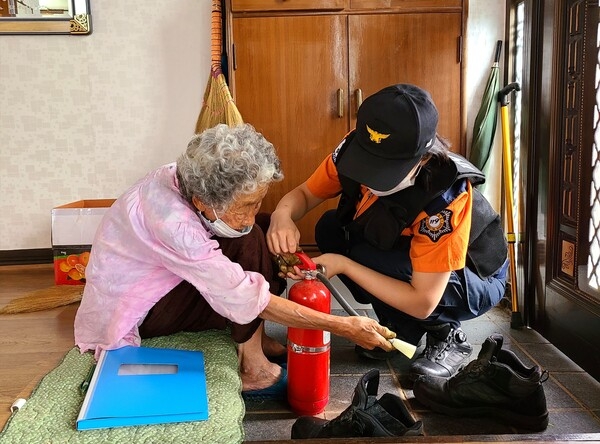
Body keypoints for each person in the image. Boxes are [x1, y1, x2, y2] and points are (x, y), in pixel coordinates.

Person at [74, 123, 396, 399]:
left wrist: (278, 243)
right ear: (202, 200)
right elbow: (244, 296)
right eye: (247, 204)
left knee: (264, 229)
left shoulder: (185, 177)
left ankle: (257, 339)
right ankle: (254, 367)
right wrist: (344, 326)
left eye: (256, 201)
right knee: (249, 239)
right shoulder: (172, 223)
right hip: (142, 312)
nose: (250, 213)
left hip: (164, 279)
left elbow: (250, 230)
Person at [267, 84, 509, 380]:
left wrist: (343, 265)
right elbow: (305, 193)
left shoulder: (445, 198)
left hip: (473, 278)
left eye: (383, 170)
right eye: (368, 164)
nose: (369, 179)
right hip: (408, 258)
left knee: (369, 259)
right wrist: (282, 215)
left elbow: (423, 301)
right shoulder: (355, 148)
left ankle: (446, 333)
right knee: (332, 229)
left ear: (423, 158)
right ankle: (402, 331)